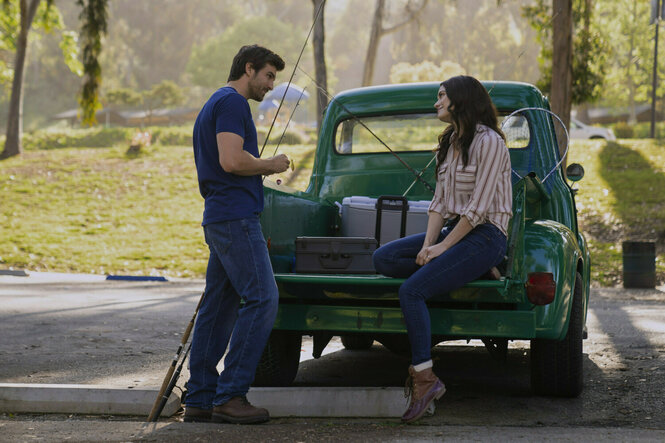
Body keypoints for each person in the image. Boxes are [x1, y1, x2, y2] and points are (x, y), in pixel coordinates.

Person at [372, 75, 512, 423]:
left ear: (459, 101)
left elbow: (478, 209)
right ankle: (468, 267)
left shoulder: (490, 142)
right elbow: (439, 203)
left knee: (412, 291)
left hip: (487, 235)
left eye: (441, 97)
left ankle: (426, 378)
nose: (436, 103)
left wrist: (444, 247)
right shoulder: (451, 142)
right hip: (457, 233)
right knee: (384, 258)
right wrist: (428, 247)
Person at [184, 45, 290, 425]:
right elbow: (231, 160)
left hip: (222, 217)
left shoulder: (216, 101)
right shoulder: (232, 103)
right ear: (248, 69)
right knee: (263, 298)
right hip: (233, 217)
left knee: (218, 307)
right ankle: (230, 395)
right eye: (268, 76)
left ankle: (199, 398)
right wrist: (270, 164)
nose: (271, 85)